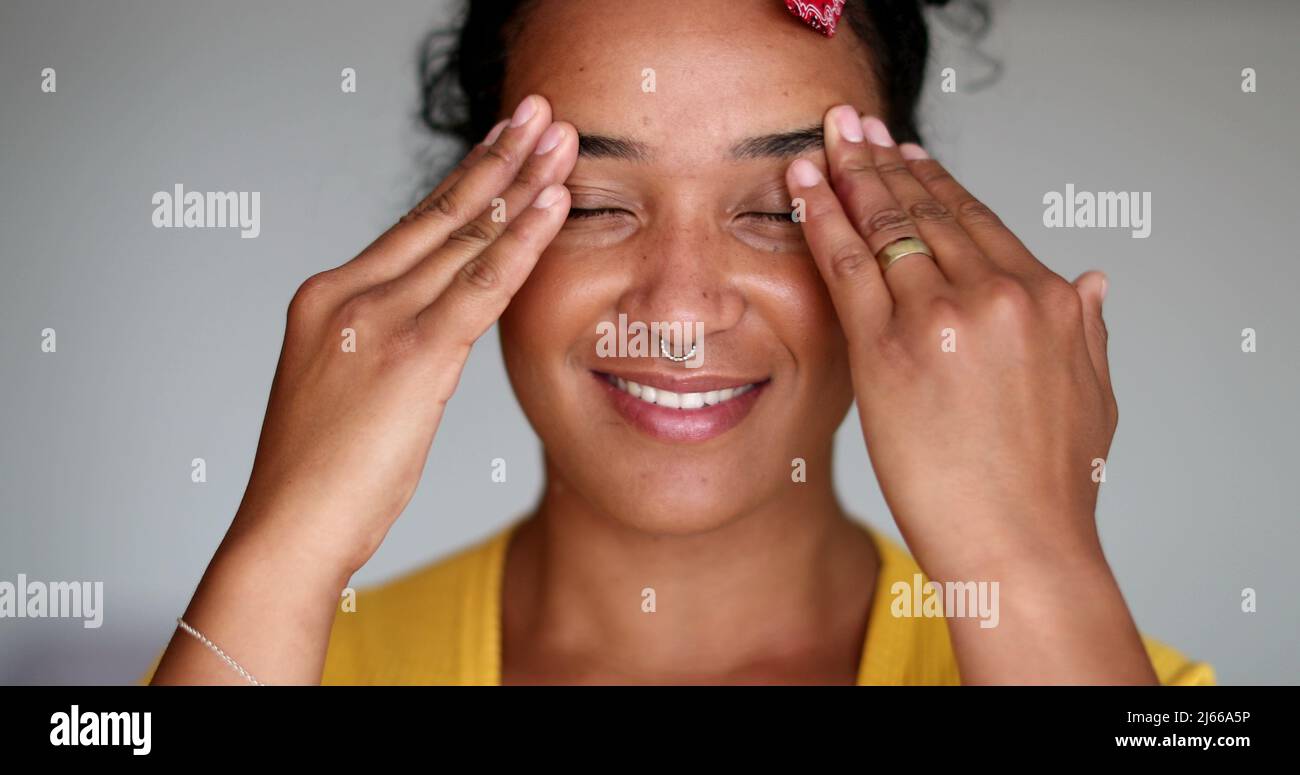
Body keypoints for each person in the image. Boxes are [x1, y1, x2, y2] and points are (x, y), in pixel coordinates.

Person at [147, 0, 1213, 685]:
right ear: (469, 226)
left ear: (910, 239)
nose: (682, 306)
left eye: (785, 210)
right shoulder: (281, 656)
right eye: (596, 203)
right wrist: (277, 554)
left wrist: (1027, 563)